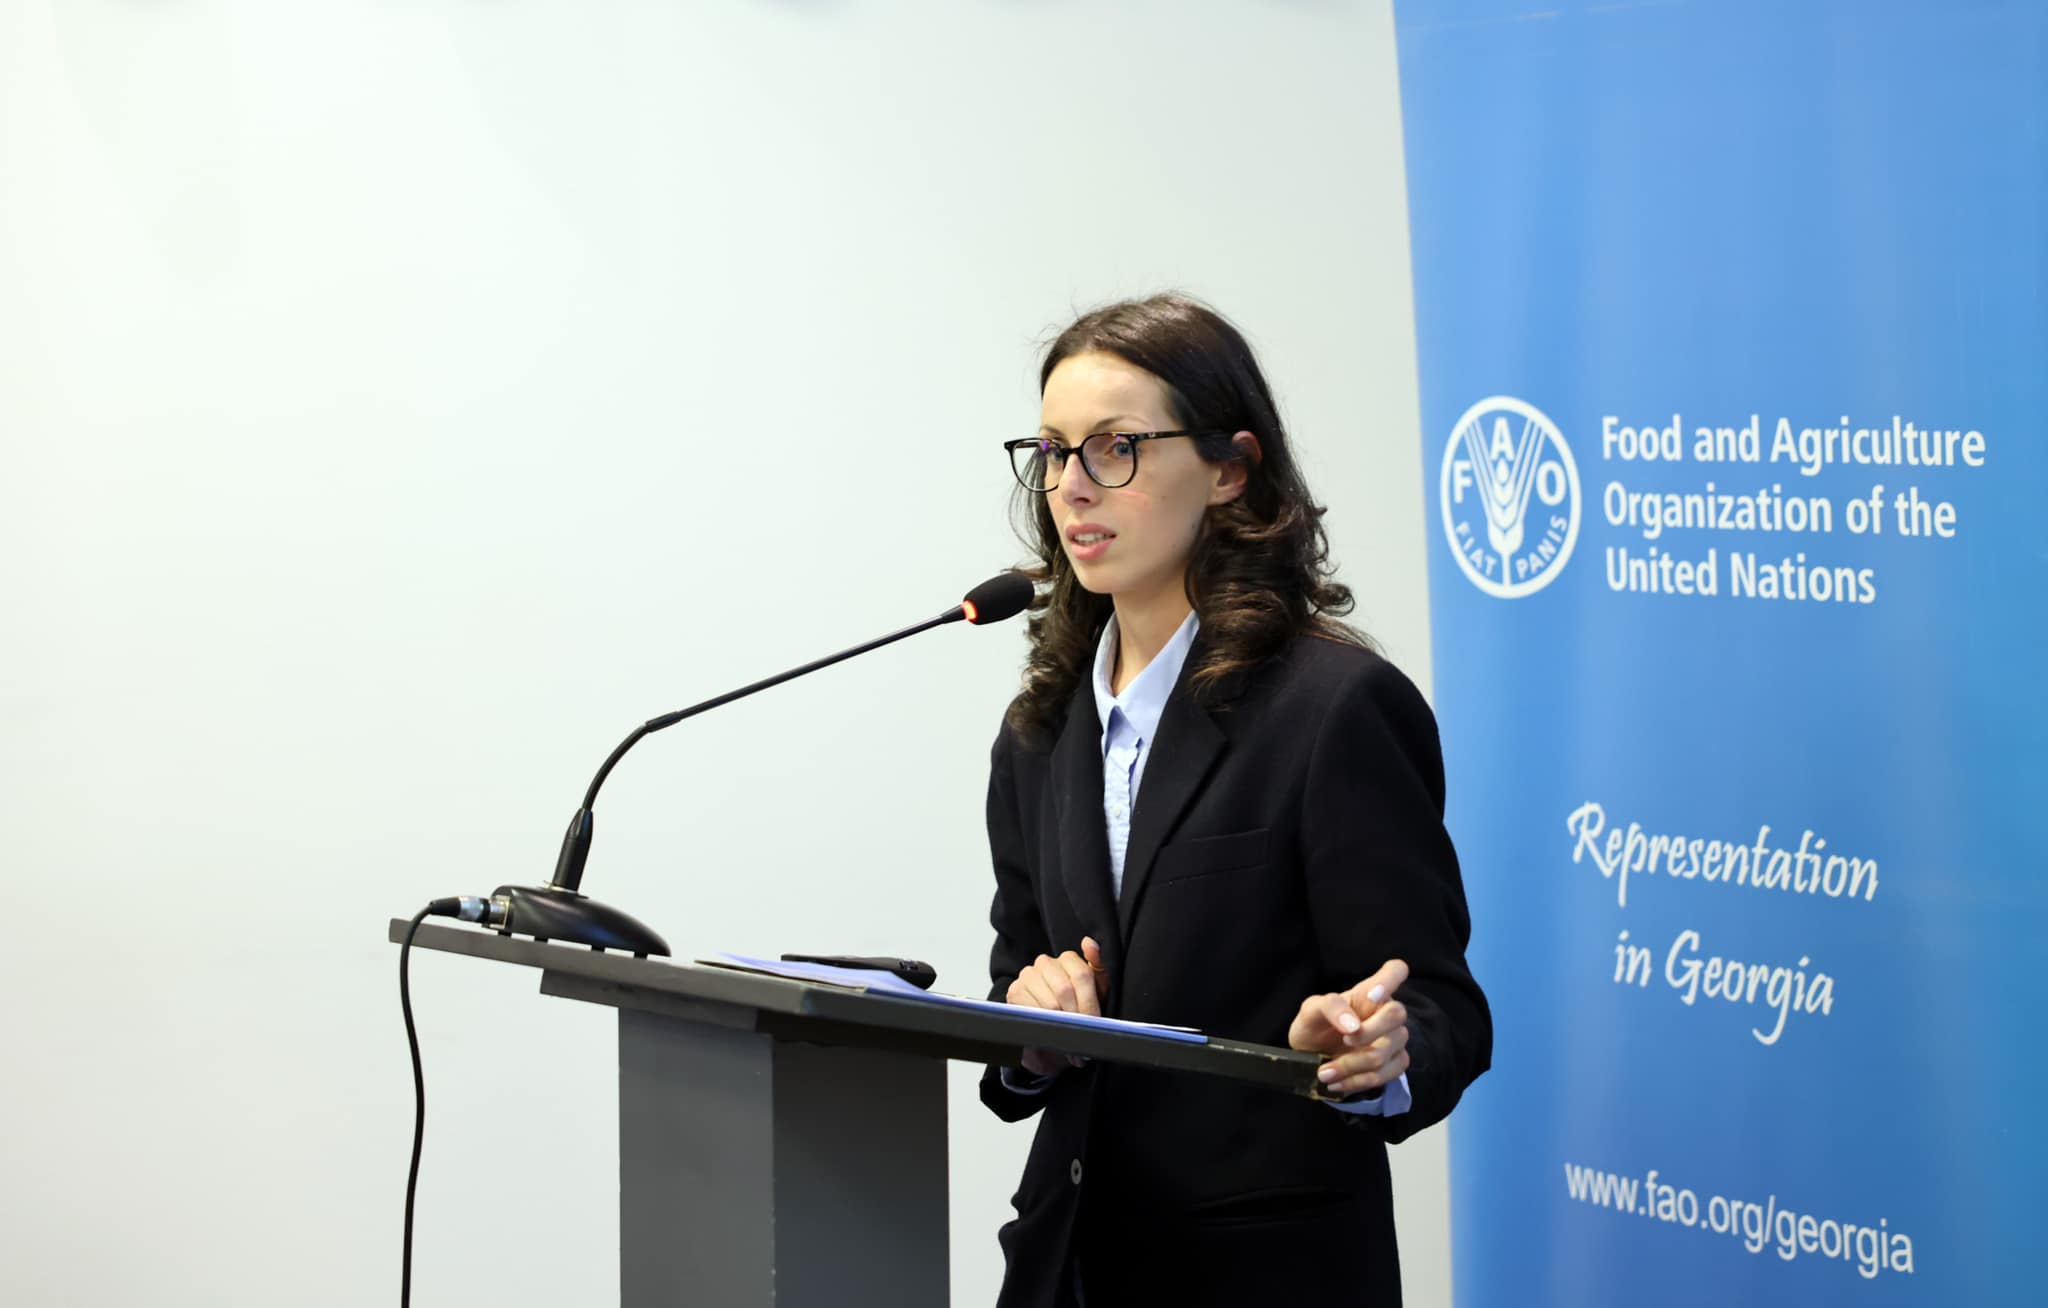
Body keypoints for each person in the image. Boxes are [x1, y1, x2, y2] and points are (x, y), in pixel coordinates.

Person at [980, 293, 1491, 1307]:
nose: (1070, 486)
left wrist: (1373, 1052)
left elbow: (1441, 1008)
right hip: (1065, 1270)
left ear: (1229, 469)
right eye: (1052, 451)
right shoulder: (1039, 730)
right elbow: (1017, 980)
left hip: (1262, 1277)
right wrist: (1028, 1037)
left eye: (1114, 448)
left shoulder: (1332, 709)